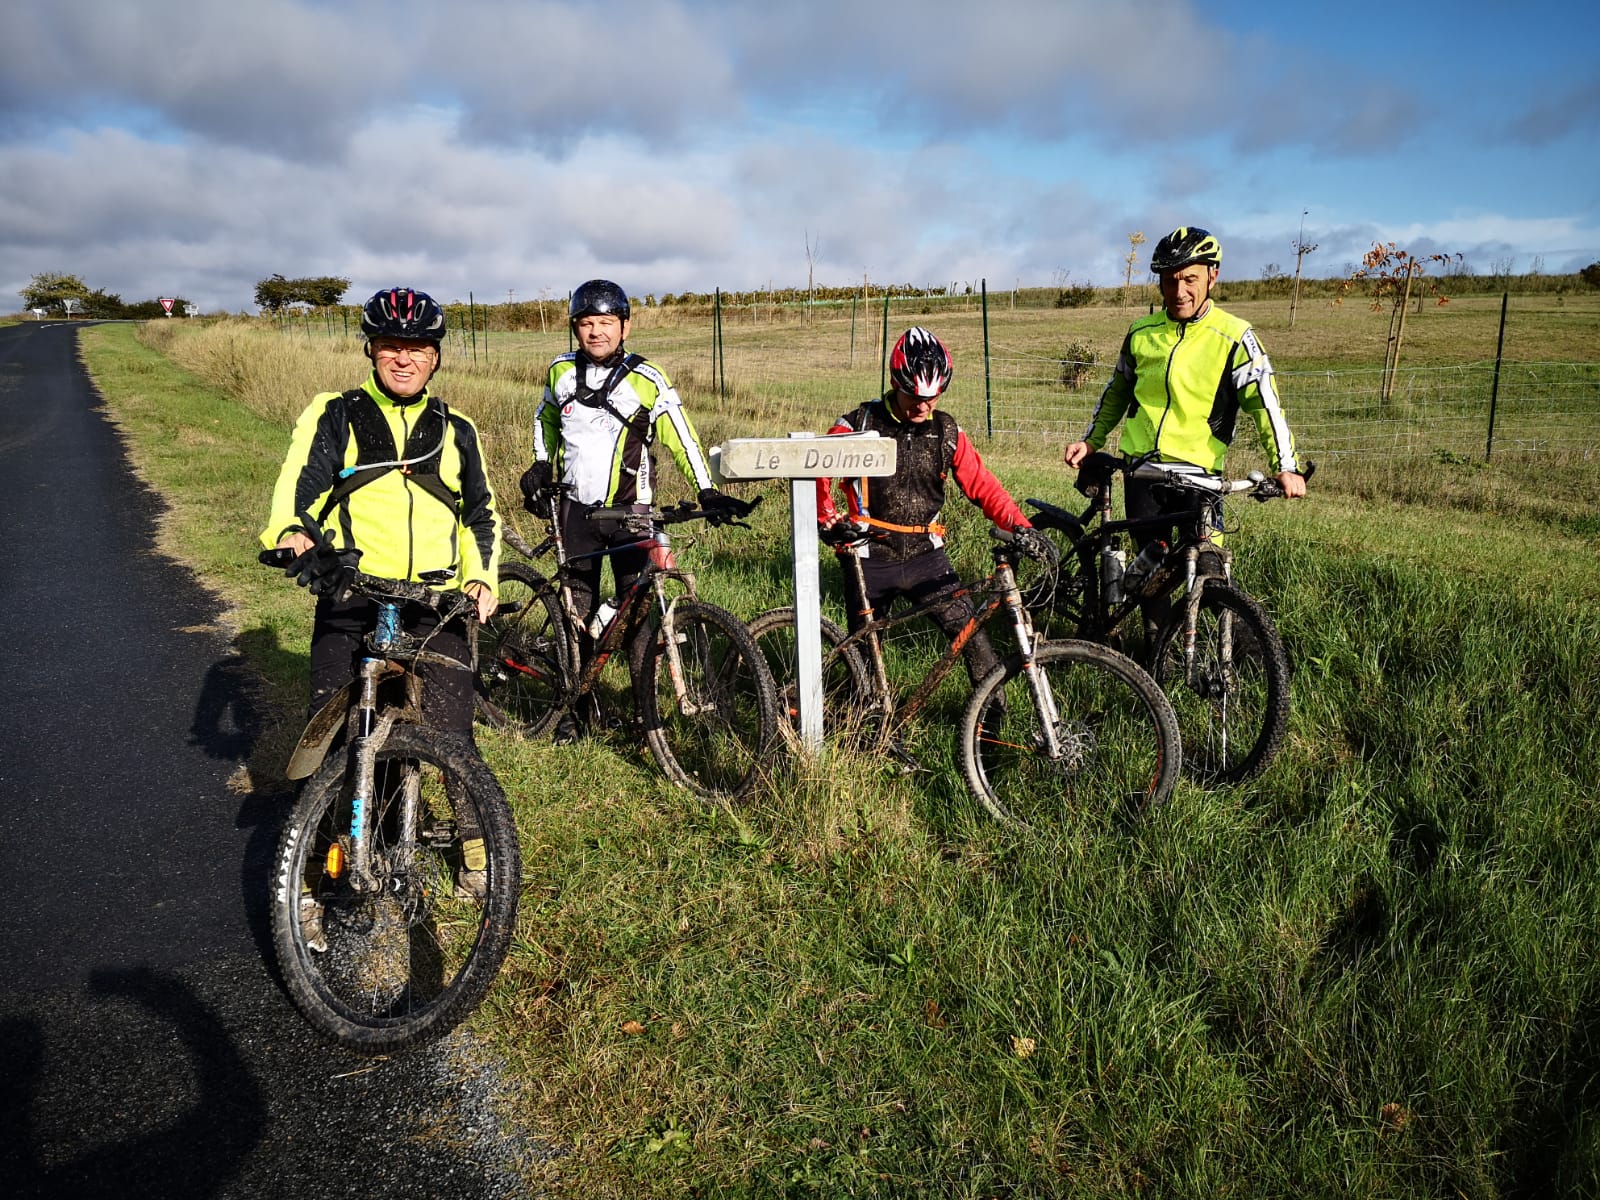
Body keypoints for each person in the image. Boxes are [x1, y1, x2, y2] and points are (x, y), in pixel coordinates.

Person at [261, 285, 501, 899]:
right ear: (370, 350)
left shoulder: (457, 430)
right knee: (333, 737)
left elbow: (481, 515)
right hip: (353, 593)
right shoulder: (334, 413)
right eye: (392, 346)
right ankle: (314, 870)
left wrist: (481, 577)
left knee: (453, 733)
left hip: (435, 602)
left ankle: (475, 844)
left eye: (418, 348)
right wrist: (292, 533)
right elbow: (300, 488)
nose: (404, 358)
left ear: (436, 357)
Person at [1061, 226, 1306, 635]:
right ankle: (1155, 660)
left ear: (1213, 275)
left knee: (1211, 568)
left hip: (1201, 481)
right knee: (1149, 580)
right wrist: (1091, 441)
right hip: (1143, 474)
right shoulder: (1142, 333)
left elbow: (1266, 404)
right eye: (1169, 280)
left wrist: (1286, 465)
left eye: (1189, 279)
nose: (1179, 291)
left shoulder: (1234, 337)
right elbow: (1117, 393)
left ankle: (1233, 659)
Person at [816, 326, 1047, 693]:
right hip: (868, 557)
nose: (924, 405)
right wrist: (827, 519)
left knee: (976, 644)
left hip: (928, 559)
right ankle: (856, 732)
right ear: (896, 382)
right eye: (915, 396)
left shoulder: (947, 432)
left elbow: (984, 487)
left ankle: (988, 736)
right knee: (862, 665)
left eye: (934, 396)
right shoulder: (858, 424)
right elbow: (818, 474)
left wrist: (1023, 527)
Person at [520, 279, 742, 650]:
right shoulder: (560, 371)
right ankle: (579, 702)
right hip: (576, 513)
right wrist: (541, 464)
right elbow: (546, 420)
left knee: (637, 624)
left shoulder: (647, 378)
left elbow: (682, 438)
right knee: (576, 616)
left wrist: (706, 491)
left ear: (625, 326)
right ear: (575, 327)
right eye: (586, 323)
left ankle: (643, 709)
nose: (596, 332)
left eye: (606, 323)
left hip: (631, 515)